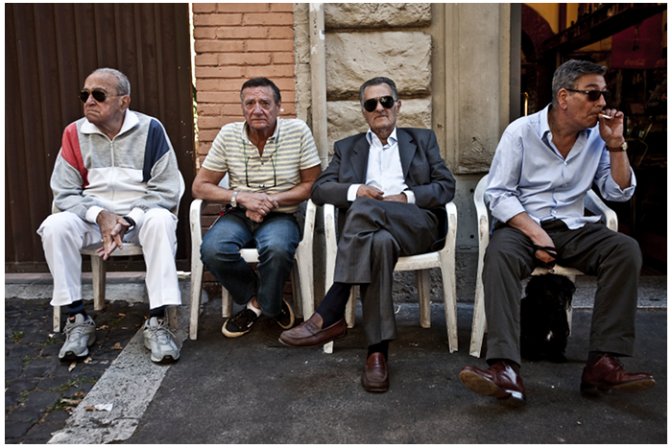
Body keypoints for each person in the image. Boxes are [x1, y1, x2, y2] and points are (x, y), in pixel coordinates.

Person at [459, 59, 655, 405]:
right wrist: (536, 234)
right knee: (499, 255)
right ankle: (505, 368)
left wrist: (615, 144)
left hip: (573, 227)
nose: (602, 103)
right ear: (564, 97)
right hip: (522, 226)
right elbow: (498, 194)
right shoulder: (521, 132)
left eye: (603, 95)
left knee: (625, 250)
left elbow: (618, 192)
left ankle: (602, 363)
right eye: (593, 94)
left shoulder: (597, 138)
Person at [279, 76, 456, 393]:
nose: (379, 108)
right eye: (371, 104)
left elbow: (446, 186)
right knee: (377, 241)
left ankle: (331, 309)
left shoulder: (423, 140)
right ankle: (377, 353)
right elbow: (319, 190)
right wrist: (356, 190)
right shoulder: (348, 148)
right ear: (363, 112)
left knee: (362, 211)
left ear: (397, 106)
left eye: (386, 101)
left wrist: (406, 197)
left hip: (416, 223)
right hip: (373, 232)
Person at [38, 68, 184, 364]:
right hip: (93, 219)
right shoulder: (74, 133)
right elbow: (64, 192)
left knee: (161, 221)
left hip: (139, 217)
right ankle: (77, 317)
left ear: (123, 101)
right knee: (55, 226)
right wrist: (99, 215)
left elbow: (167, 188)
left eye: (99, 95)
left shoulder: (151, 129)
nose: (89, 101)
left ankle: (157, 320)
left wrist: (129, 219)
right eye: (85, 95)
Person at [192, 77, 321, 338]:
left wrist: (270, 201)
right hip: (238, 214)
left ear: (279, 107)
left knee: (277, 248)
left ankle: (257, 307)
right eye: (250, 103)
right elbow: (200, 186)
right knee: (213, 250)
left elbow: (312, 184)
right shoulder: (229, 134)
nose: (257, 110)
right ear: (242, 108)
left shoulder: (297, 131)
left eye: (265, 103)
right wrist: (241, 198)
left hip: (281, 214)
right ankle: (265, 300)